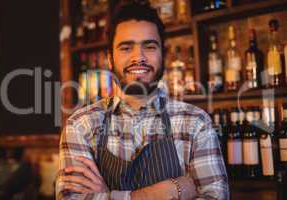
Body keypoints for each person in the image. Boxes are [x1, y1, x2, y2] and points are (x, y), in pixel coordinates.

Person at [56, 2, 229, 200]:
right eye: (126, 48)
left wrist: (107, 196)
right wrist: (168, 191)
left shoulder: (196, 122)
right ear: (110, 59)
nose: (139, 57)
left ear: (163, 54)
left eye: (149, 46)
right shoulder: (80, 126)